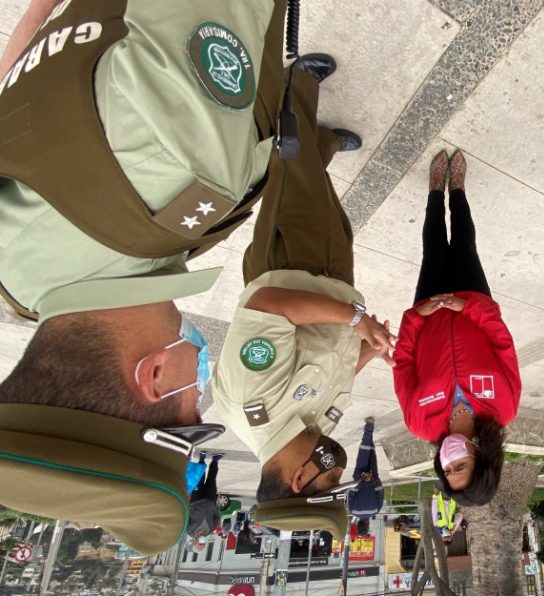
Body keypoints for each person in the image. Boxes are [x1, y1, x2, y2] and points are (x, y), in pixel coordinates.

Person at [0, 0, 328, 554]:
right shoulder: (14, 279)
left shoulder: (186, 170)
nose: (201, 396)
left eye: (191, 418)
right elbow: (15, 86)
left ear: (154, 377)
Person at [210, 49, 395, 504]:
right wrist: (370, 349)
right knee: (319, 205)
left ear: (297, 480)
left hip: (292, 268)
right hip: (329, 285)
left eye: (328, 482)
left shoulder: (247, 404)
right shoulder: (312, 435)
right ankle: (321, 143)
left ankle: (297, 88)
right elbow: (330, 374)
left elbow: (269, 305)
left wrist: (355, 322)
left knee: (294, 182)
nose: (338, 474)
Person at [393, 149, 522, 506]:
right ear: (482, 461)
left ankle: (435, 191)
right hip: (472, 301)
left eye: (447, 470)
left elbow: (403, 363)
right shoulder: (503, 408)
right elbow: (502, 344)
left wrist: (419, 316)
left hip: (429, 308)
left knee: (433, 248)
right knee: (464, 244)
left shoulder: (420, 422)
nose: (449, 462)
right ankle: (458, 190)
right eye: (460, 465)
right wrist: (470, 307)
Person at [347, 417, 385, 524]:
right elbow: (351, 492)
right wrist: (362, 480)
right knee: (364, 451)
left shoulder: (375, 510)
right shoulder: (352, 510)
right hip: (360, 476)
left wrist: (372, 479)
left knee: (371, 452)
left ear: (368, 524)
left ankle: (370, 429)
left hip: (373, 476)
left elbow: (380, 491)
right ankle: (369, 428)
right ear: (358, 523)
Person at [188, 452, 224, 540]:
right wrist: (214, 508)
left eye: (200, 543)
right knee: (212, 479)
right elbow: (218, 517)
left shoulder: (189, 531)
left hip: (196, 500)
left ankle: (202, 459)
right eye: (203, 544)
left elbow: (185, 515)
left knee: (199, 479)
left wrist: (189, 504)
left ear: (195, 541)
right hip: (210, 500)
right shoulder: (210, 530)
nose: (201, 541)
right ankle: (215, 461)